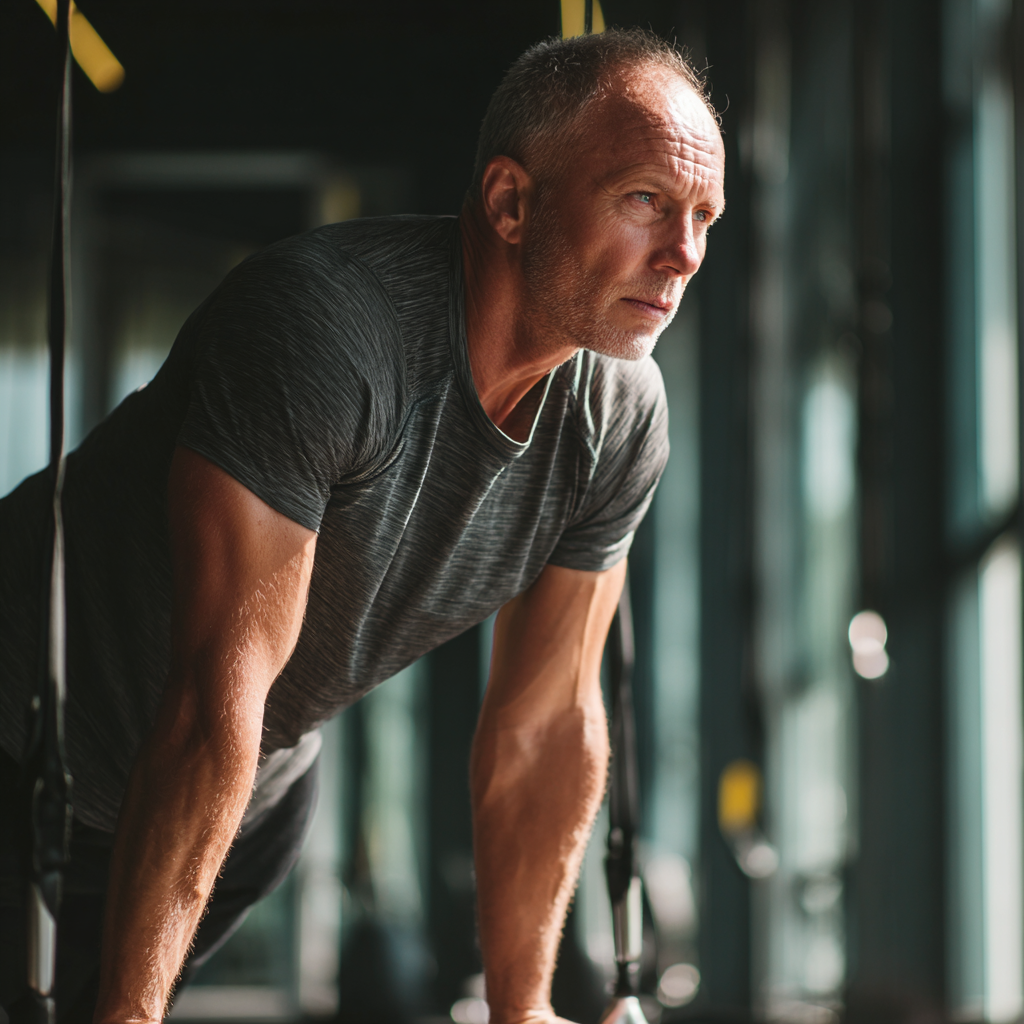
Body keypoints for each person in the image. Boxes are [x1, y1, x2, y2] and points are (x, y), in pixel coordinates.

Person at [0, 27, 725, 1024]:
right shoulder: (327, 328)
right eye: (644, 200)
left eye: (703, 215)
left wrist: (527, 1010)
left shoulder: (620, 416)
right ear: (511, 202)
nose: (683, 253)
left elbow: (544, 723)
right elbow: (211, 695)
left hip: (235, 807)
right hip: (25, 742)